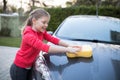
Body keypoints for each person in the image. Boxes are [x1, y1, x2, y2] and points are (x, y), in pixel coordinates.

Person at [10, 8, 81, 80]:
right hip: (19, 68)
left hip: (29, 66)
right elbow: (46, 48)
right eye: (44, 22)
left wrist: (68, 45)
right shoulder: (28, 35)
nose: (46, 25)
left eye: (47, 23)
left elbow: (53, 39)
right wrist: (67, 49)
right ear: (34, 21)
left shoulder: (41, 32)